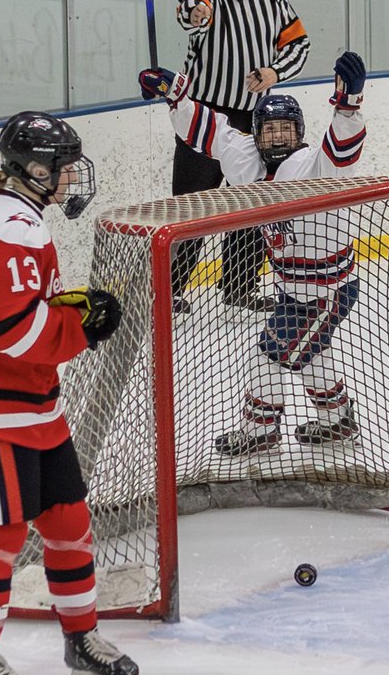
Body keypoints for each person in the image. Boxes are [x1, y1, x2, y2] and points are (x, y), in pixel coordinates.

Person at [0, 112, 138, 675]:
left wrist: (70, 309)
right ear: (36, 170)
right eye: (63, 169)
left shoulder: (17, 218)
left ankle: (81, 640)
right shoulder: (8, 225)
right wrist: (81, 331)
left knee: (68, 522)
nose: (70, 179)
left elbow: (23, 308)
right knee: (2, 534)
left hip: (29, 401)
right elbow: (12, 332)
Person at [139, 52, 366, 457]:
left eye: (286, 129)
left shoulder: (314, 165)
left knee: (269, 356)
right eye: (270, 129)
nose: (278, 137)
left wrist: (348, 104)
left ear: (299, 133)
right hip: (291, 286)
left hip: (328, 290)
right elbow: (211, 132)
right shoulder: (246, 159)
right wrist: (175, 95)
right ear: (257, 132)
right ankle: (338, 421)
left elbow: (343, 151)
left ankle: (259, 430)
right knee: (313, 353)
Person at [166, 0, 311, 314]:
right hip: (205, 119)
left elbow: (298, 43)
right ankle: (169, 289)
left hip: (255, 121)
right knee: (192, 205)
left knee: (252, 206)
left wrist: (274, 73)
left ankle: (238, 287)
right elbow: (189, 8)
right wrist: (196, 12)